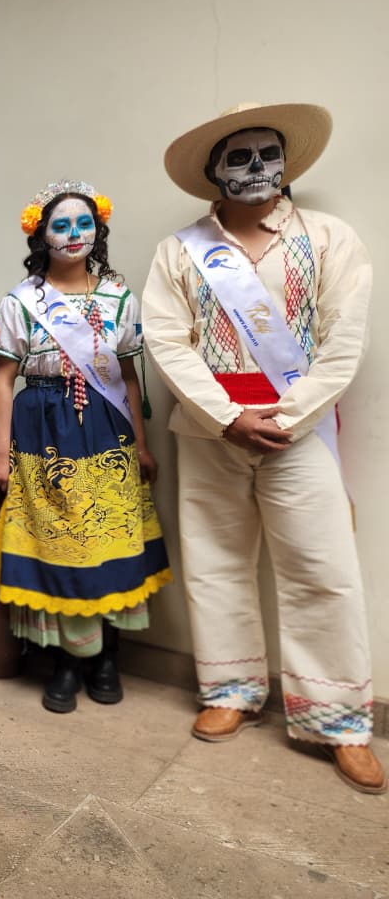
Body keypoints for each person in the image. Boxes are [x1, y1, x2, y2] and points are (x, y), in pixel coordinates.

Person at [144, 102, 384, 794]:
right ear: (214, 170)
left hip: (298, 430)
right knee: (215, 563)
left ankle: (339, 721)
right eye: (239, 157)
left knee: (322, 569)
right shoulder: (179, 251)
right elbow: (167, 340)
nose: (256, 168)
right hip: (209, 429)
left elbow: (345, 339)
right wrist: (227, 417)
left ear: (286, 163)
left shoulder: (330, 238)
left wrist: (290, 416)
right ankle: (231, 691)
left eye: (268, 154)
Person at [0, 181, 170, 713]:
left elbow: (130, 378)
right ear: (41, 234)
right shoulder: (21, 301)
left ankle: (107, 657)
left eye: (84, 223)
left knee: (107, 540)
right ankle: (67, 661)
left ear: (99, 230)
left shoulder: (118, 297)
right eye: (61, 225)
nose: (74, 234)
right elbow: (3, 380)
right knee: (59, 542)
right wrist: (0, 454)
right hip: (43, 431)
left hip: (106, 430)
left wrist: (141, 445)